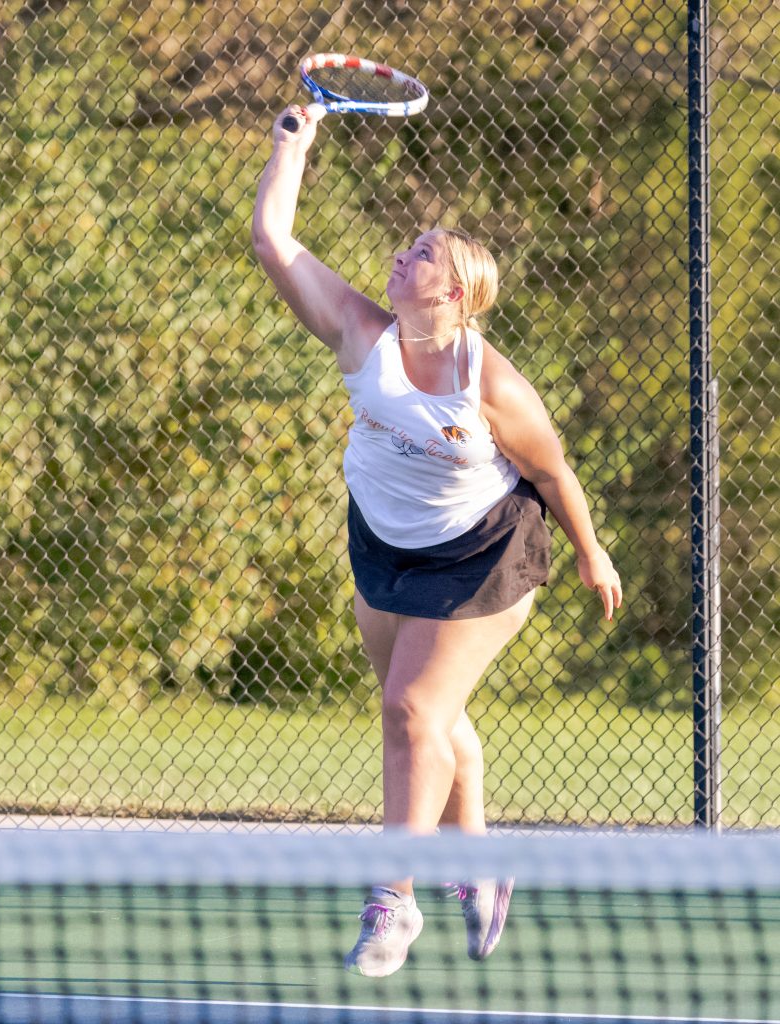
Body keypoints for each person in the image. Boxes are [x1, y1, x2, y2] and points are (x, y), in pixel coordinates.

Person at [251, 104, 623, 978]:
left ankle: (394, 901)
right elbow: (273, 240)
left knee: (414, 712)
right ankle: (478, 858)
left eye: (423, 254)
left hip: (482, 558)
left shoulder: (492, 385)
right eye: (410, 244)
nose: (403, 254)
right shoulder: (361, 334)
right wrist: (291, 148)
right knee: (425, 714)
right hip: (383, 546)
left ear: (454, 294)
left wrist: (589, 549)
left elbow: (553, 471)